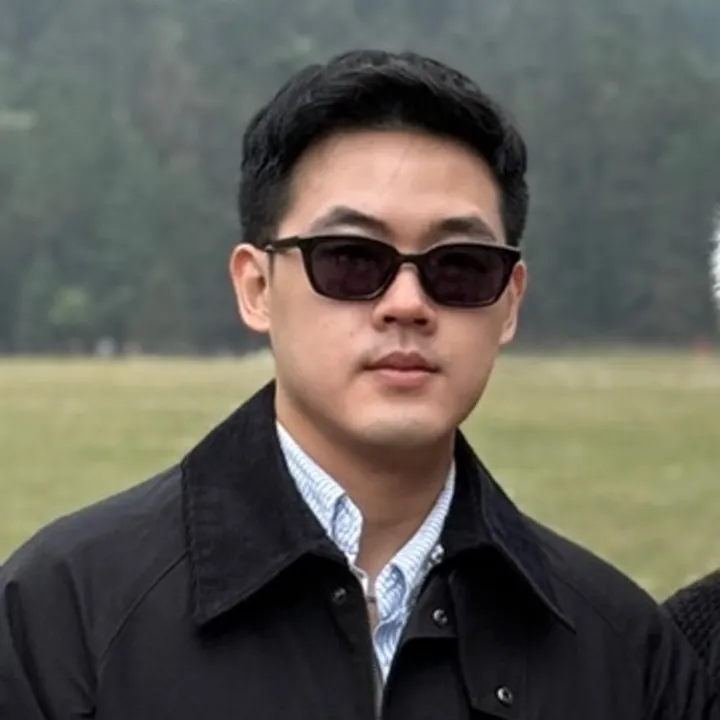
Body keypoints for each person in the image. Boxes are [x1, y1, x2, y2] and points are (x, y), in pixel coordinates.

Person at [0, 50, 717, 720]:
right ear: (256, 287)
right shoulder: (62, 618)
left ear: (509, 303)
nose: (407, 303)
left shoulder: (626, 654)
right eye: (349, 259)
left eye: (459, 267)